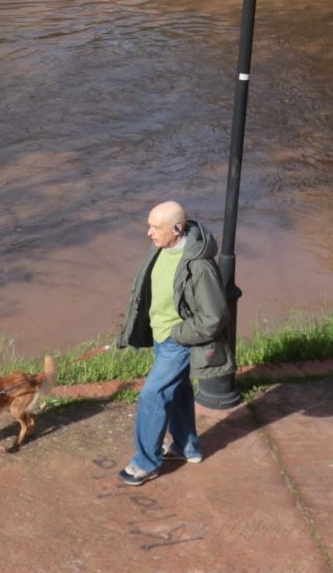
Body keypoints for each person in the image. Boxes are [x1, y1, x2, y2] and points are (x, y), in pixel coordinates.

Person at [112, 200, 228, 486]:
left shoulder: (199, 266)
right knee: (177, 393)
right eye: (148, 225)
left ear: (177, 229)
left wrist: (178, 334)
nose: (149, 233)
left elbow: (214, 316)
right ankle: (185, 447)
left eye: (155, 227)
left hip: (178, 342)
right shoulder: (161, 250)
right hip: (162, 338)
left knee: (153, 395)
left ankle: (145, 464)